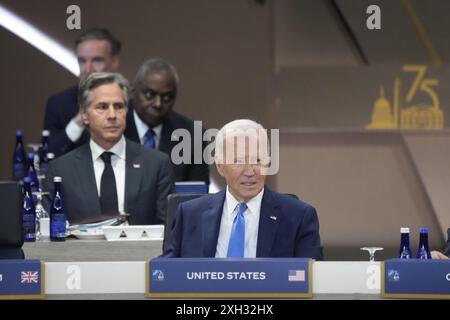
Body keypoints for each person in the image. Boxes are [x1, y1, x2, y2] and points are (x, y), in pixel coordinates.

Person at [163, 119, 323, 259]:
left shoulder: (298, 217)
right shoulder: (190, 215)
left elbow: (313, 279)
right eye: (238, 161)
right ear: (220, 166)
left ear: (268, 162)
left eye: (257, 160)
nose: (249, 171)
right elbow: (166, 274)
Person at [45, 72, 175, 225]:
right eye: (102, 107)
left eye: (119, 106)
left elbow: (168, 230)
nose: (112, 115)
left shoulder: (156, 164)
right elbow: (50, 235)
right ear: (84, 114)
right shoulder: (61, 170)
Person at [125, 58, 209, 184]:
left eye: (167, 97)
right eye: (150, 95)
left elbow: (197, 195)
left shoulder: (193, 135)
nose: (158, 104)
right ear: (132, 91)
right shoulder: (114, 127)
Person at [44, 28, 121, 157]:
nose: (87, 69)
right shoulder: (58, 104)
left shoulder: (130, 103)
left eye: (97, 60)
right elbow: (48, 155)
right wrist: (78, 121)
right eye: (82, 61)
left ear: (114, 62)